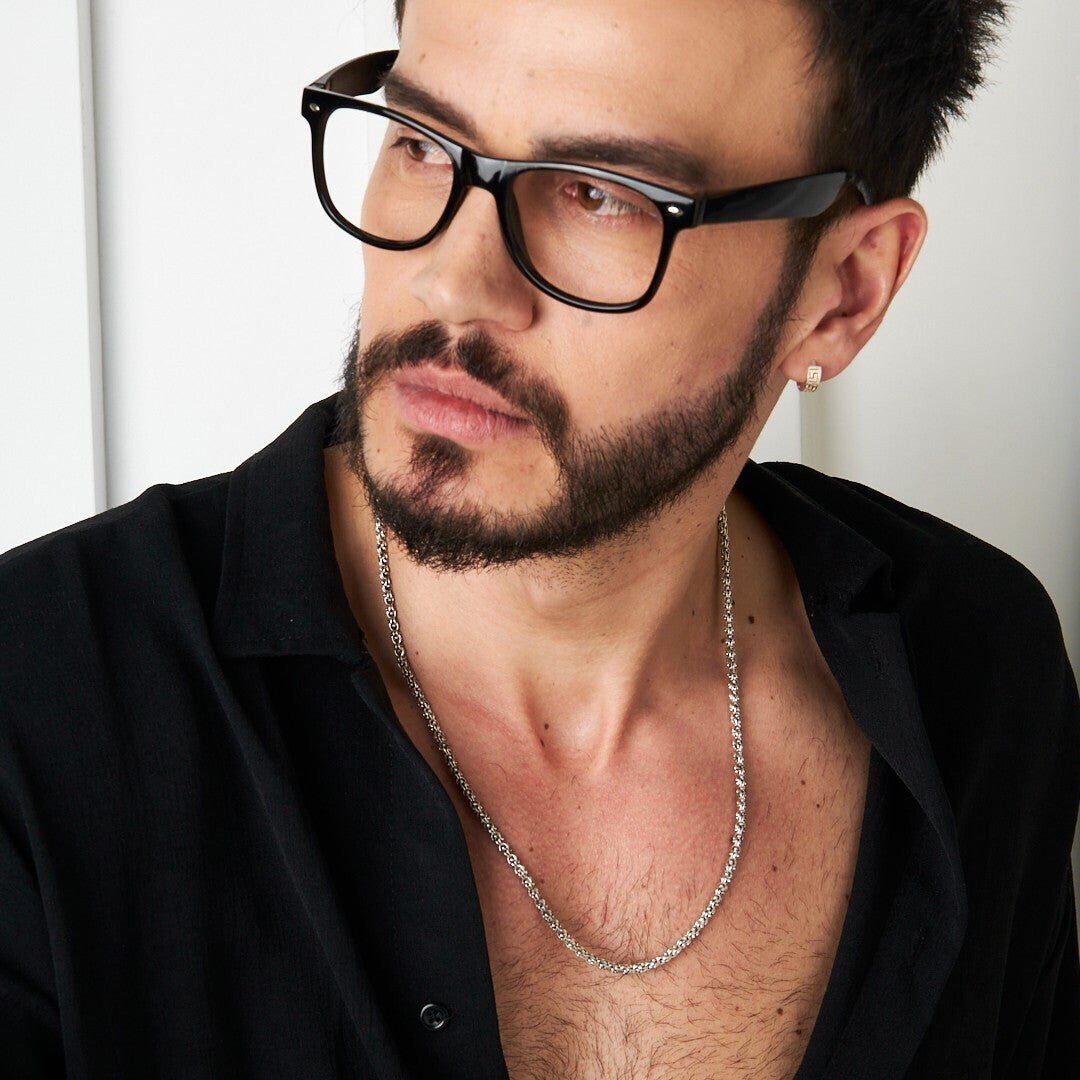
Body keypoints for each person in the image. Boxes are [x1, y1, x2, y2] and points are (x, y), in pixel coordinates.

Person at [1, 0, 1077, 1077]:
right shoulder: (38, 705)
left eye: (600, 193)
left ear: (844, 293)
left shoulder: (978, 677)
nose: (451, 282)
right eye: (423, 142)